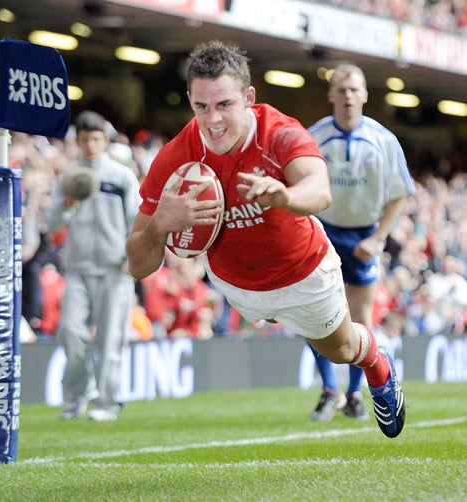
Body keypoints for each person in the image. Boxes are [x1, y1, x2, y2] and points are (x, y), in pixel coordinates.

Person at [126, 40, 406, 438]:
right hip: (237, 285)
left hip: (303, 272)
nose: (213, 120)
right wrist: (159, 226)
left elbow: (320, 190)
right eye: (201, 106)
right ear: (190, 100)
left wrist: (287, 197)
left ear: (248, 97)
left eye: (224, 104)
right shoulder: (176, 157)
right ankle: (331, 387)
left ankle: (379, 366)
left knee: (340, 349)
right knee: (320, 341)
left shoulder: (279, 132)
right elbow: (137, 266)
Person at [306, 64, 416, 422]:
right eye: (342, 89)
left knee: (360, 318)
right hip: (322, 230)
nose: (348, 96)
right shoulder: (315, 136)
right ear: (331, 95)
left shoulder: (383, 140)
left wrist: (378, 237)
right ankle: (328, 391)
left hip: (363, 235)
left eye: (354, 89)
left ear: (365, 94)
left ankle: (354, 394)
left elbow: (400, 194)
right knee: (313, 316)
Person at [47, 111, 141, 421]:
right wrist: (68, 204)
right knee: (70, 332)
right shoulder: (69, 177)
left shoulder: (121, 176)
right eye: (85, 139)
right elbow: (51, 223)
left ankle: (107, 402)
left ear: (105, 141)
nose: (90, 145)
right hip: (77, 268)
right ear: (78, 141)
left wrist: (133, 257)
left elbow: (136, 220)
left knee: (109, 337)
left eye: (96, 139)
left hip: (114, 268)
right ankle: (77, 395)